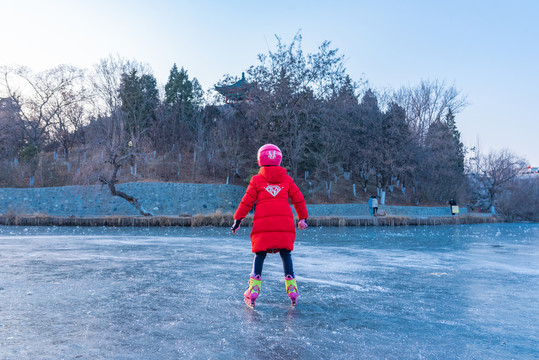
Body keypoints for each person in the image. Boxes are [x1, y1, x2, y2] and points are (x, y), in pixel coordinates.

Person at [231, 144, 308, 308]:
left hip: (263, 226)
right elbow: (298, 199)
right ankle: (292, 288)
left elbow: (246, 202)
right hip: (284, 225)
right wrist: (302, 219)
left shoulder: (257, 180)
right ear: (278, 159)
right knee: (286, 254)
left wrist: (238, 220)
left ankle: (253, 290)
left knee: (260, 255)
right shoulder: (286, 180)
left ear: (260, 159)